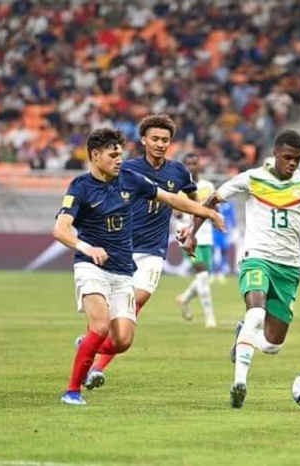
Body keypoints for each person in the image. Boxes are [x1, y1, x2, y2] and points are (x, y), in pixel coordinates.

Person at [181, 130, 300, 409]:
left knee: (272, 346)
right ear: (276, 154)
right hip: (257, 259)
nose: (293, 163)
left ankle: (245, 333)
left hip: (289, 269)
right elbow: (212, 201)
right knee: (255, 311)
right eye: (288, 157)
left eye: (298, 159)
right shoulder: (252, 178)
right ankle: (239, 383)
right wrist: (193, 232)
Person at [54, 128, 224, 405]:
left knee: (122, 341)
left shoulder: (130, 180)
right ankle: (72, 391)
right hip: (91, 266)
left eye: (120, 154)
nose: (119, 159)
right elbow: (61, 230)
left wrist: (208, 212)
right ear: (95, 156)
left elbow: (170, 198)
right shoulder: (80, 186)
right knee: (98, 327)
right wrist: (86, 248)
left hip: (123, 270)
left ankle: (87, 349)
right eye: (113, 155)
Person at [81, 114, 203, 389]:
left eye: (165, 140)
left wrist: (190, 229)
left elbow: (195, 202)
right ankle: (94, 363)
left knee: (133, 303)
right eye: (155, 139)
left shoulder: (179, 172)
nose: (160, 144)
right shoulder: (125, 169)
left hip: (152, 251)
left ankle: (93, 356)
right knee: (117, 316)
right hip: (120, 247)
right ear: (144, 140)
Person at [175, 153, 218, 327]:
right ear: (185, 166)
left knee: (205, 276)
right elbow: (175, 211)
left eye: (194, 163)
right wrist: (179, 210)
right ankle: (210, 317)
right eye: (188, 163)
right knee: (202, 274)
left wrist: (216, 217)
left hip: (207, 235)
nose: (192, 166)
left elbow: (215, 206)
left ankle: (184, 298)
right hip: (188, 235)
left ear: (199, 165)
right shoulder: (179, 187)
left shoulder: (208, 186)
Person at [211, 199, 238, 284]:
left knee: (224, 251)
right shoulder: (214, 203)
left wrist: (233, 228)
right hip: (214, 230)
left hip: (224, 231)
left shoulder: (229, 204)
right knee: (213, 251)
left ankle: (221, 272)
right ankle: (212, 272)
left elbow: (232, 217)